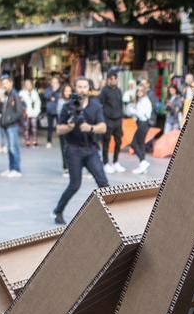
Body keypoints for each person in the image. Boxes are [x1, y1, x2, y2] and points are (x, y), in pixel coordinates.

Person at [53, 77, 110, 224]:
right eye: (79, 87)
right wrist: (70, 126)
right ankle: (58, 211)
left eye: (85, 87)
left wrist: (90, 128)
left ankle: (111, 214)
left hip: (91, 150)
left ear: (89, 90)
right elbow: (59, 130)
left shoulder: (95, 106)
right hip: (73, 150)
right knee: (74, 185)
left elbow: (103, 127)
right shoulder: (67, 107)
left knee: (103, 183)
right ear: (75, 88)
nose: (82, 90)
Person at [121, 81, 156, 176]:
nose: (138, 93)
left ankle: (143, 162)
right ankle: (142, 165)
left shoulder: (146, 101)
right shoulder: (141, 100)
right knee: (140, 145)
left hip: (143, 123)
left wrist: (133, 110)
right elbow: (131, 113)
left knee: (134, 143)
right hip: (140, 123)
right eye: (138, 91)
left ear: (144, 92)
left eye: (140, 91)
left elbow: (141, 114)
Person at [98, 70, 125, 168]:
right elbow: (100, 105)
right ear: (108, 80)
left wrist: (122, 118)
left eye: (115, 78)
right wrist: (102, 119)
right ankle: (105, 163)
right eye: (111, 78)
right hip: (108, 119)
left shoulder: (119, 91)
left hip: (118, 120)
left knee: (119, 141)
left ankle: (115, 161)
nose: (113, 80)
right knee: (106, 141)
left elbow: (121, 105)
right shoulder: (104, 91)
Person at [0, 85, 24, 178]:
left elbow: (19, 111)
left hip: (12, 125)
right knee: (9, 148)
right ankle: (11, 168)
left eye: (6, 83)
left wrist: (10, 120)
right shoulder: (7, 95)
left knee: (13, 147)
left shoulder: (14, 95)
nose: (4, 85)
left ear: (11, 84)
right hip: (6, 125)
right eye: (3, 83)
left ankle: (17, 169)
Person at [20, 79, 40, 146]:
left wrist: (37, 111)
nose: (28, 85)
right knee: (26, 127)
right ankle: (27, 140)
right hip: (26, 112)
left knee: (34, 126)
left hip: (34, 112)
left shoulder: (35, 93)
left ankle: (35, 139)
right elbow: (20, 103)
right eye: (26, 84)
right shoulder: (22, 93)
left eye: (29, 84)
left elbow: (38, 102)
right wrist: (23, 111)